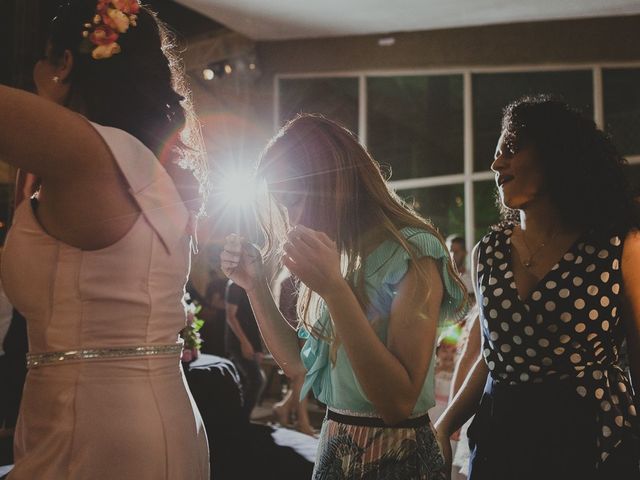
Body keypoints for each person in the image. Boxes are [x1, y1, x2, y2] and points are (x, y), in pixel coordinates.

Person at [0, 1, 209, 478]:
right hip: (145, 413)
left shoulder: (91, 154)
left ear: (64, 64)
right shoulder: (142, 169)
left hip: (98, 425)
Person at [221, 113, 469, 479]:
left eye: (293, 199)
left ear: (333, 183)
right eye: (281, 203)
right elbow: (297, 366)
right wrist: (255, 285)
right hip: (335, 448)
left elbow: (397, 403)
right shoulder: (339, 254)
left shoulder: (413, 251)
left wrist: (335, 290)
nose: (289, 217)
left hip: (394, 456)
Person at [435, 95, 640, 480]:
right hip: (502, 442)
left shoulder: (618, 246)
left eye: (510, 149)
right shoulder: (488, 252)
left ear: (555, 153)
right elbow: (492, 358)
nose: (496, 164)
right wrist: (445, 426)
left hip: (590, 442)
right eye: (496, 154)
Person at [271, 270, 316, 435]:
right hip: (296, 336)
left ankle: (283, 408)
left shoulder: (305, 277)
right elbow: (287, 315)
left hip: (305, 334)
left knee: (304, 377)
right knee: (302, 376)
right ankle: (302, 422)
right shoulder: (289, 282)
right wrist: (300, 336)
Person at [225, 280, 266, 421]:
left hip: (251, 341)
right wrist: (245, 343)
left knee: (246, 381)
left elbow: (253, 319)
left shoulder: (252, 285)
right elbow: (231, 316)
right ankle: (241, 419)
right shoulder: (235, 285)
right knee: (257, 380)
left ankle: (238, 419)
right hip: (239, 342)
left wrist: (258, 347)